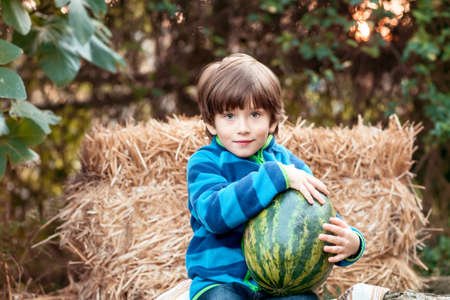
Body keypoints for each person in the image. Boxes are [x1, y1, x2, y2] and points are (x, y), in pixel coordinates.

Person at [185, 53, 365, 300]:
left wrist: (352, 242)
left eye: (255, 115)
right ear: (211, 123)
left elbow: (318, 215)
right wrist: (274, 178)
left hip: (283, 287)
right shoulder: (206, 162)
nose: (243, 127)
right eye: (229, 116)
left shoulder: (289, 164)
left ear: (272, 121)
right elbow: (214, 215)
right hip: (221, 283)